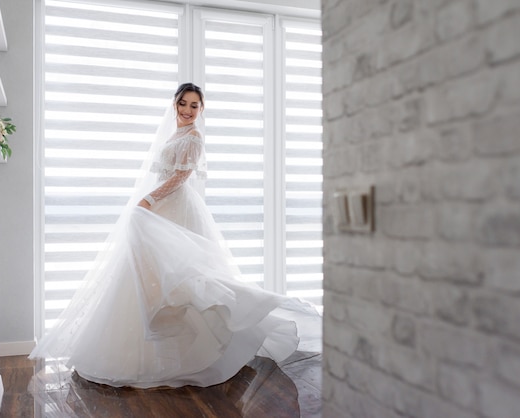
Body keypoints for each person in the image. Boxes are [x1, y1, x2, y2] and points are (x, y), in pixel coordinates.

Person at [29, 83, 321, 389]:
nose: (187, 110)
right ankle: (148, 351)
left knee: (185, 278)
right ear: (175, 104)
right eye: (183, 103)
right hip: (160, 207)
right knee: (152, 276)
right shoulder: (175, 134)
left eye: (194, 106)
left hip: (175, 209)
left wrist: (148, 201)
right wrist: (148, 203)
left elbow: (181, 177)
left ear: (201, 110)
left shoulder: (194, 137)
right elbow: (162, 174)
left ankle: (216, 341)